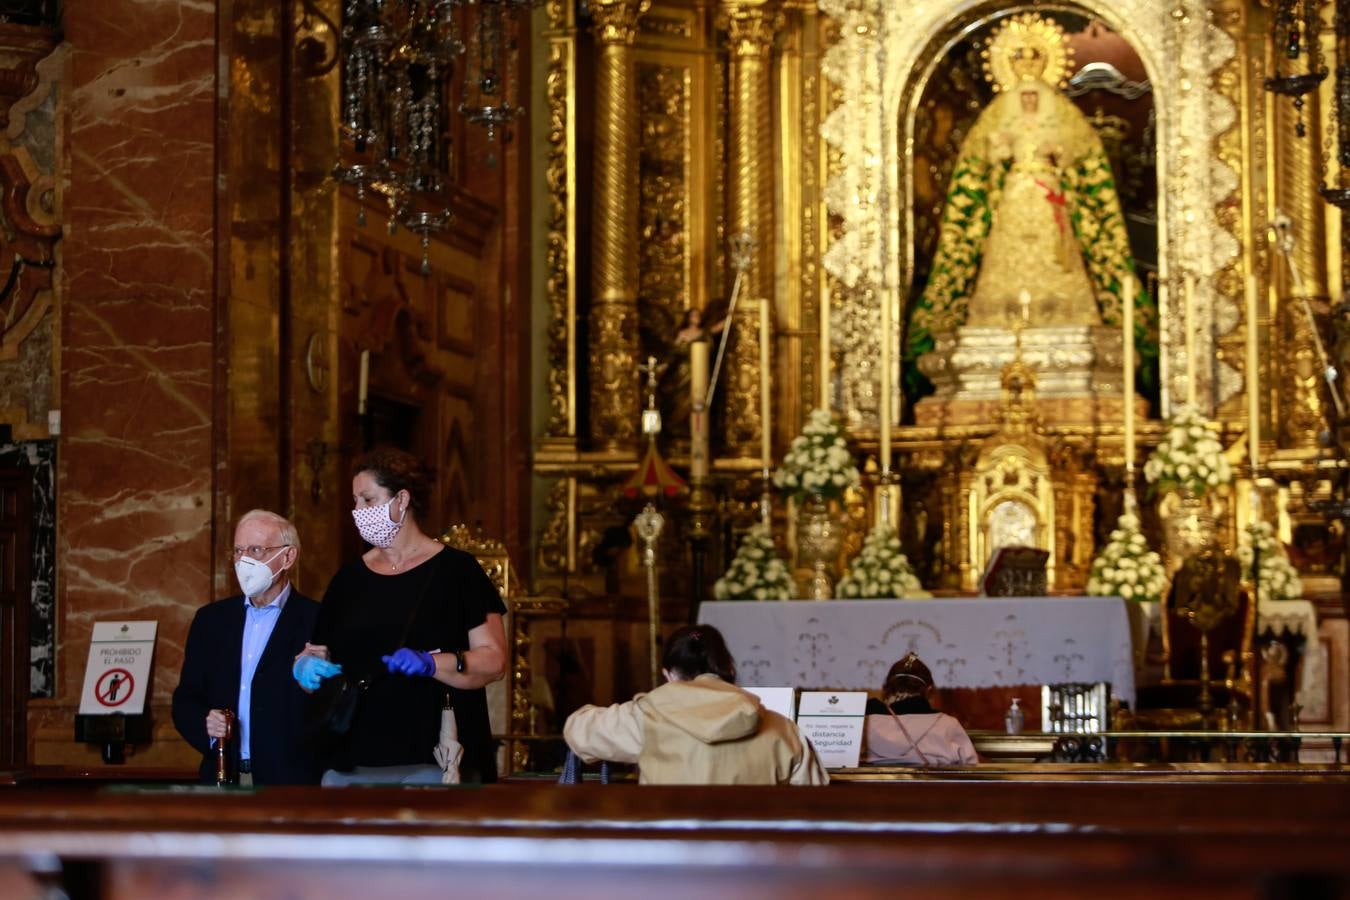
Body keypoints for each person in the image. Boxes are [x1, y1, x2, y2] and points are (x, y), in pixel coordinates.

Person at [295, 448, 508, 785]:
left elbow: (494, 660)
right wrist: (306, 666)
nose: (358, 511)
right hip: (351, 758)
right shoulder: (348, 580)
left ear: (401, 500)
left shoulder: (458, 572)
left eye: (367, 499)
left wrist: (430, 663)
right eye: (355, 502)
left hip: (431, 755)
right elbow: (320, 653)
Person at [563, 625, 828, 785]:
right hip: (751, 869)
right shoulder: (783, 729)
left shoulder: (645, 717)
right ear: (730, 669)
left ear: (668, 675)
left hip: (670, 867)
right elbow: (812, 802)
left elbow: (578, 730)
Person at [172, 510, 320, 785]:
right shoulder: (211, 621)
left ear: (288, 557)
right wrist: (206, 723)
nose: (244, 560)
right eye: (238, 551)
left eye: (256, 550)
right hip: (223, 778)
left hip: (290, 785)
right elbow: (185, 699)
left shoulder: (317, 621)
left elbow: (331, 711)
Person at [862, 653, 978, 766]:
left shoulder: (864, 723)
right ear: (929, 691)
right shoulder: (948, 725)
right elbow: (971, 768)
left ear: (884, 689)